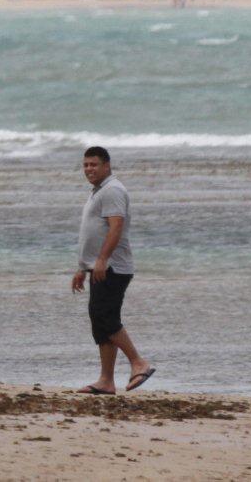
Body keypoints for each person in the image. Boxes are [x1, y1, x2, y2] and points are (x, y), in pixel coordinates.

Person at [71, 147, 155, 394]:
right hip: (99, 266)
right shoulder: (98, 191)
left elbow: (116, 228)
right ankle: (106, 381)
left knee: (105, 317)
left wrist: (103, 259)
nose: (89, 169)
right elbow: (92, 233)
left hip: (113, 267)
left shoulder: (113, 190)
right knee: (99, 321)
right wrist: (82, 267)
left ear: (107, 165)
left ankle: (139, 362)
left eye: (94, 165)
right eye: (85, 165)